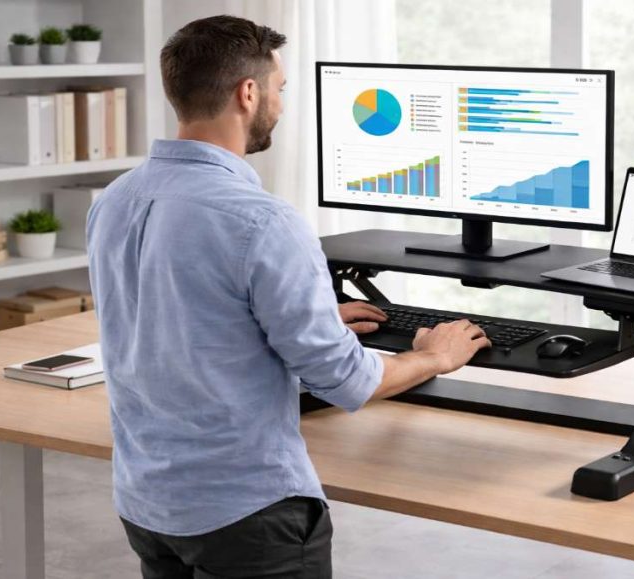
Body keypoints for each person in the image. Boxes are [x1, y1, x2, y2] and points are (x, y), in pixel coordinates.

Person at [87, 15, 489, 578]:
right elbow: (345, 380)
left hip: (148, 503)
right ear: (247, 93)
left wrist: (303, 318)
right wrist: (432, 357)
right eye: (279, 89)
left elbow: (172, 315)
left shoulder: (114, 199)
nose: (281, 102)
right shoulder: (261, 220)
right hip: (246, 513)